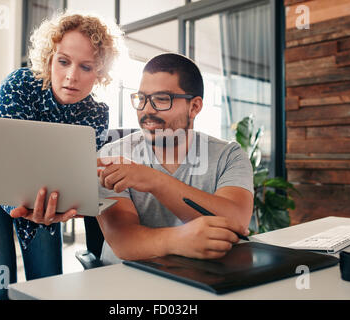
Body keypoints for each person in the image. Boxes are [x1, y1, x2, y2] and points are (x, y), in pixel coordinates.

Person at [0, 12, 122, 299]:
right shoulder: (19, 84)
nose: (72, 76)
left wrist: (67, 205)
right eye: (63, 61)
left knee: (47, 286)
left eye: (86, 67)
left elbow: (74, 176)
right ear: (49, 58)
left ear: (101, 73)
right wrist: (26, 208)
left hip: (44, 201)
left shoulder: (97, 113)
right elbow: (7, 161)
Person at [95, 53, 254, 265]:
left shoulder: (229, 156)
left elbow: (236, 223)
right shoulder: (111, 156)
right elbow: (123, 241)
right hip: (126, 278)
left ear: (195, 107)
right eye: (141, 99)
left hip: (204, 276)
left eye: (162, 99)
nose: (147, 110)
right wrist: (179, 240)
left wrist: (154, 180)